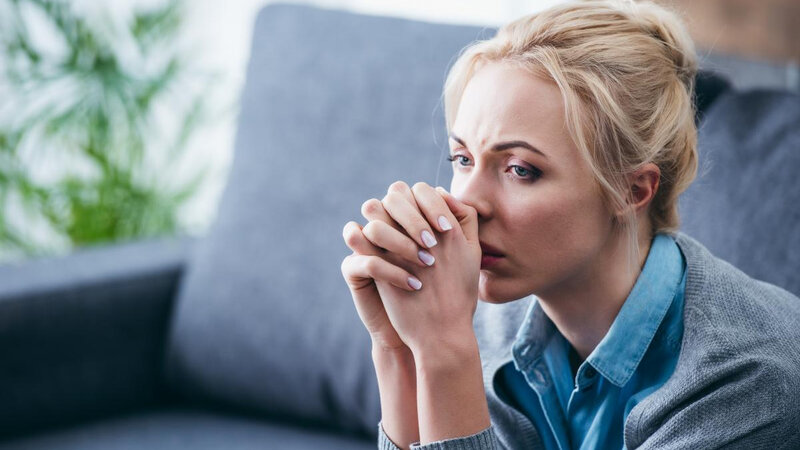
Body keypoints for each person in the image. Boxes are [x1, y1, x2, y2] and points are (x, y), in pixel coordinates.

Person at [340, 1, 800, 449]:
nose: (465, 204)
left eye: (520, 169)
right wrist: (398, 351)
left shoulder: (746, 379)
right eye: (462, 159)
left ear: (632, 190)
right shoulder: (480, 321)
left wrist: (445, 354)